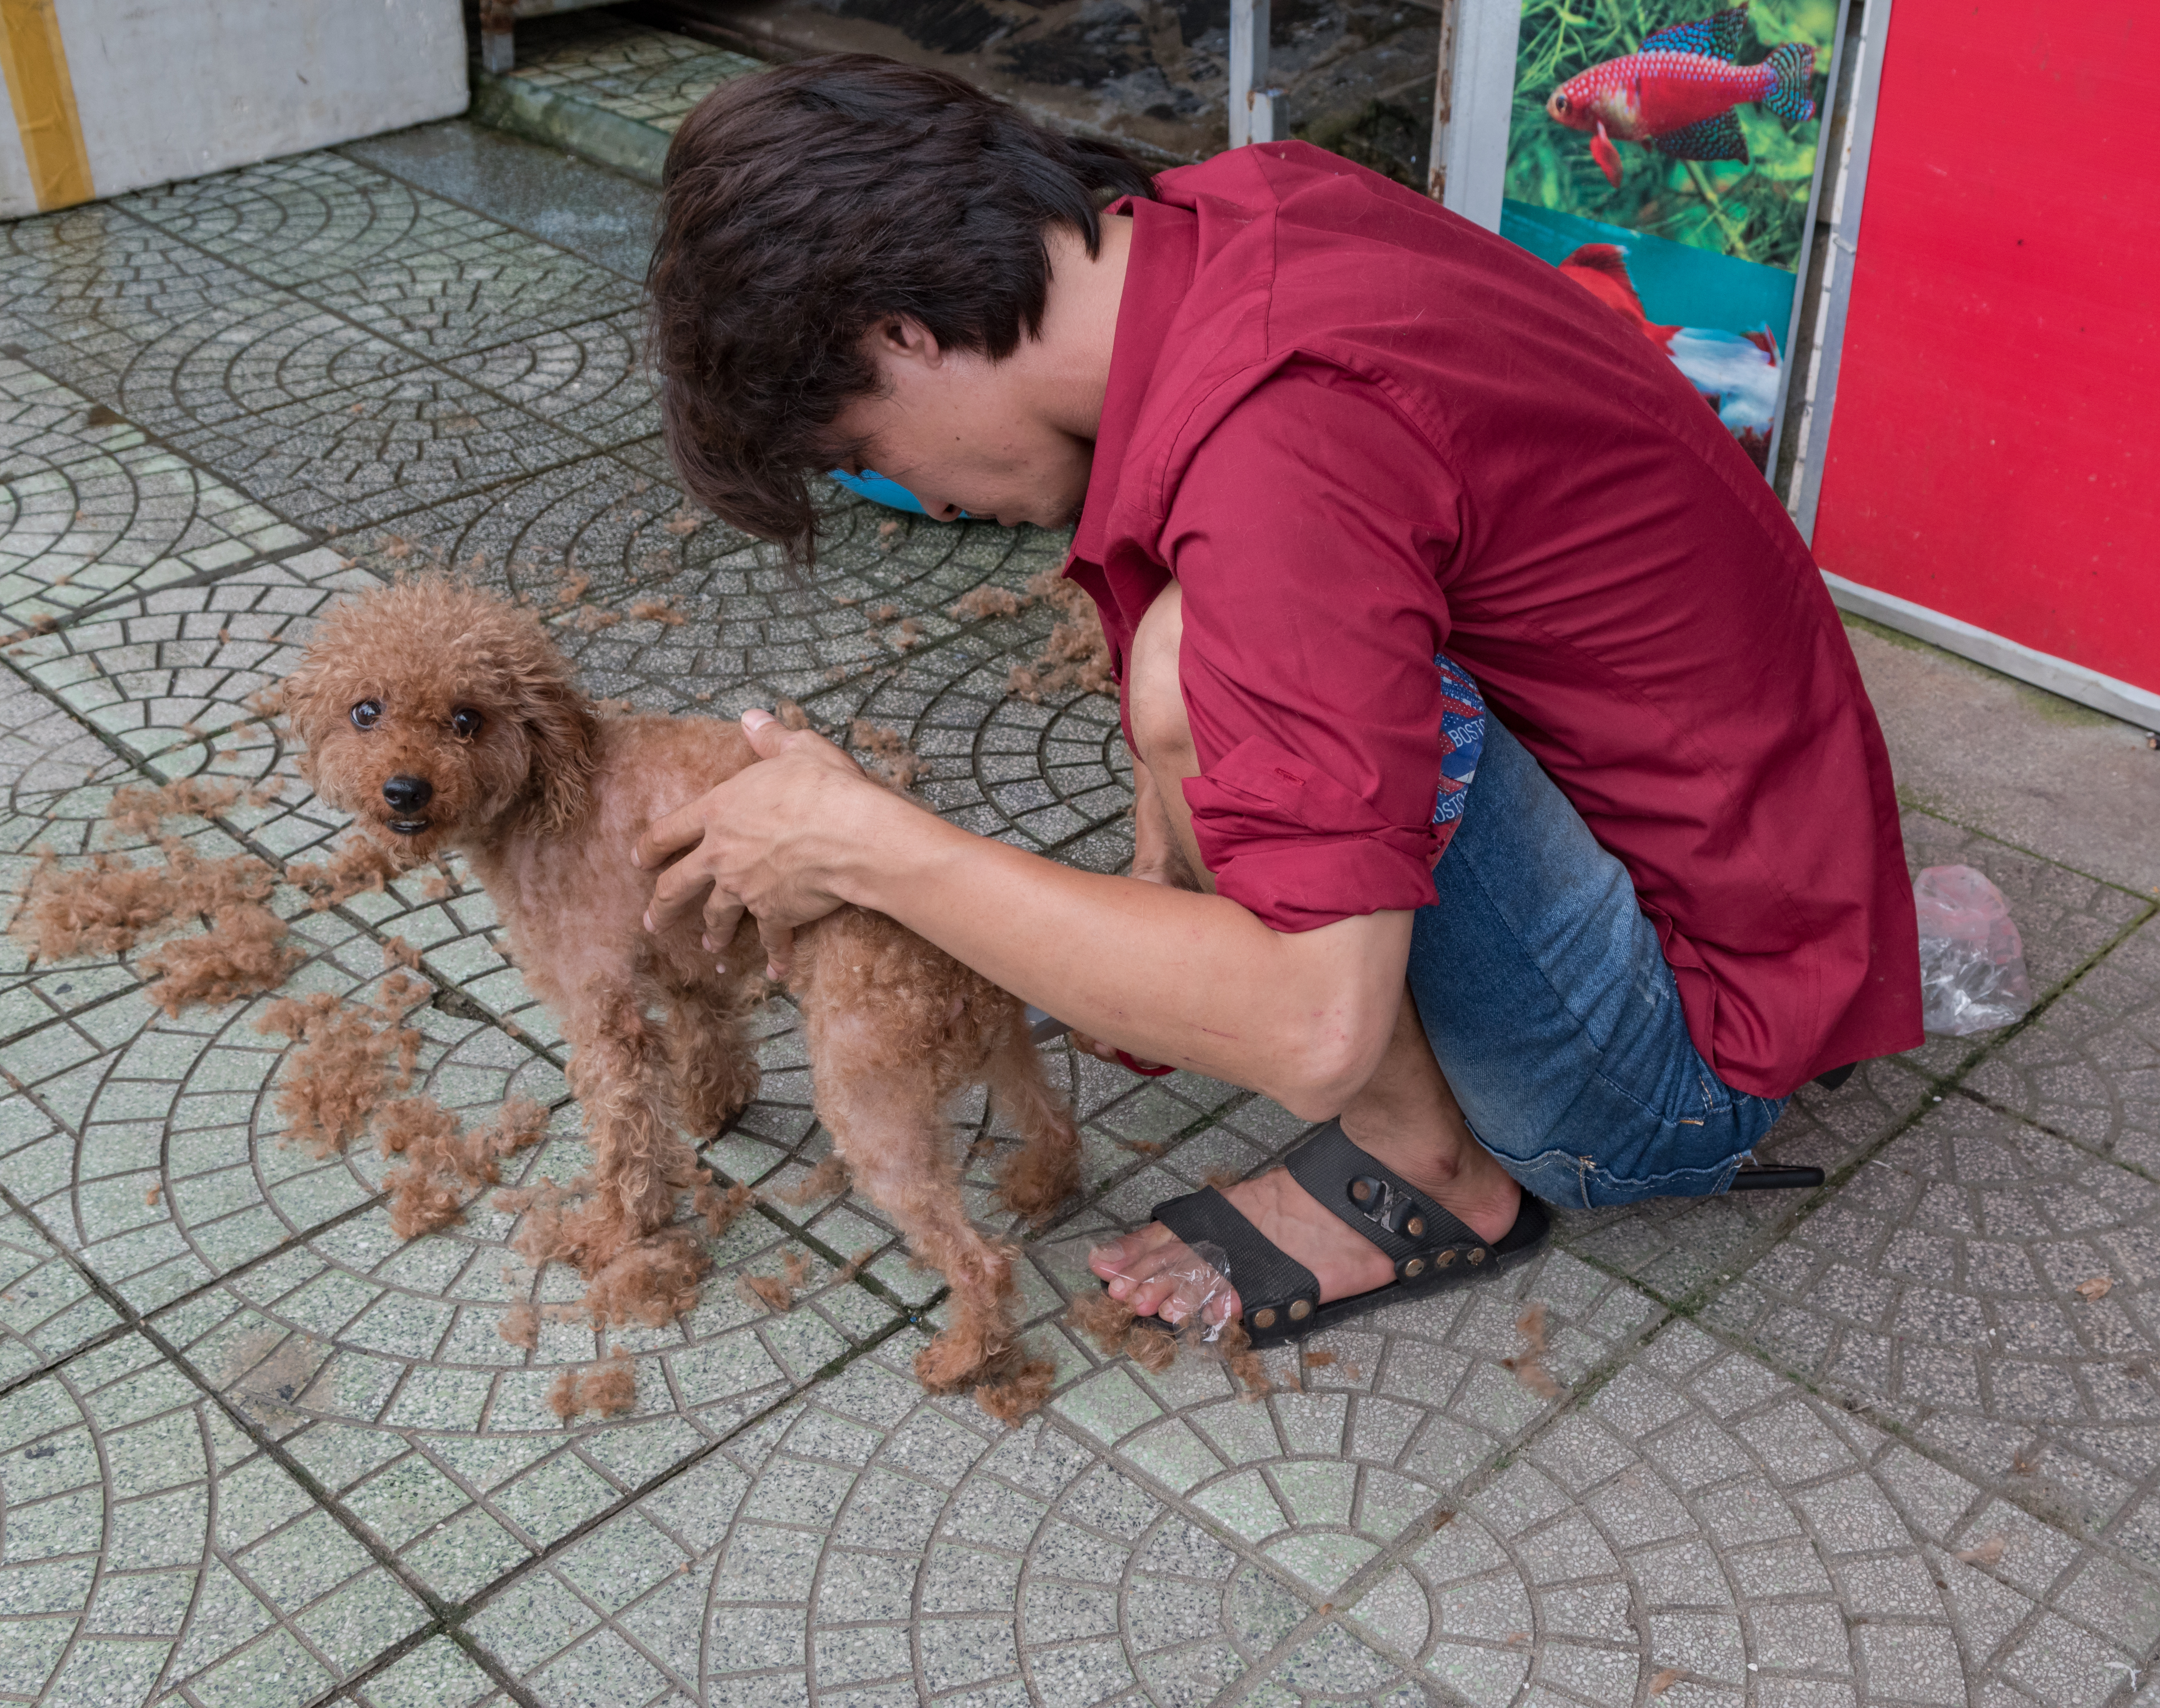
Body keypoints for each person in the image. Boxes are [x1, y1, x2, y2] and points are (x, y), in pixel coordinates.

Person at [632, 55, 1922, 1346]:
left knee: (1192, 667)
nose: (919, 495)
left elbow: (1313, 1027)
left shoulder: (1279, 448)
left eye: (866, 455)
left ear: (901, 335)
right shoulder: (1234, 211)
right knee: (1200, 663)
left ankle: (1426, 1170)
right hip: (1778, 899)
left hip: (1677, 1066)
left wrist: (864, 845)